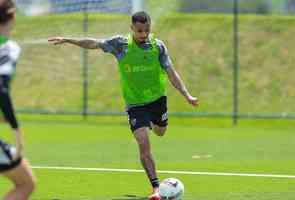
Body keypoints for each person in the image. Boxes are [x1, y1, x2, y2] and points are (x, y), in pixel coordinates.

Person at [48, 11, 198, 200]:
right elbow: (94, 43)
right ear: (132, 29)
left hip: (157, 100)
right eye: (139, 30)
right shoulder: (121, 45)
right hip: (135, 104)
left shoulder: (158, 47)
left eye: (147, 30)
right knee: (144, 144)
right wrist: (68, 40)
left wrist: (186, 94)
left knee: (160, 132)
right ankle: (156, 188)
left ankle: (149, 124)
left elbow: (171, 72)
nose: (143, 34)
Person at [0, 0, 36, 199]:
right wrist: (17, 133)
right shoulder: (8, 48)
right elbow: (2, 90)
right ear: (12, 17)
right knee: (26, 184)